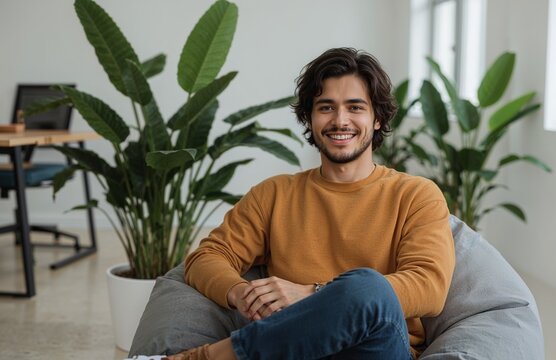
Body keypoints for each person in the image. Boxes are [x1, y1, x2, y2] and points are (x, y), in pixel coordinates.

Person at [168, 47, 455, 360]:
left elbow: (430, 286)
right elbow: (206, 257)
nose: (340, 120)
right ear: (309, 117)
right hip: (292, 350)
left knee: (369, 287)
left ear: (377, 119)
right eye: (326, 107)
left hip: (375, 351)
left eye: (355, 107)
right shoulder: (275, 194)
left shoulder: (416, 195)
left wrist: (311, 293)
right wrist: (241, 294)